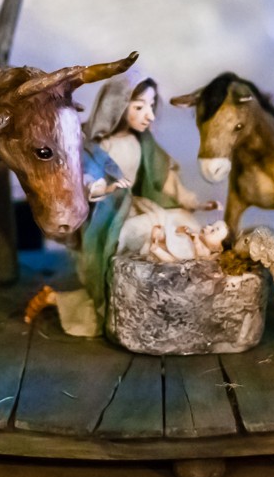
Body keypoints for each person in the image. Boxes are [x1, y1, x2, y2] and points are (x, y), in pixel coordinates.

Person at [31, 71, 209, 337]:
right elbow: (87, 182)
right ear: (117, 106)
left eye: (151, 106)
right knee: (143, 237)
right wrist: (107, 188)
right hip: (108, 216)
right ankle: (130, 310)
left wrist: (190, 199)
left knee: (182, 227)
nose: (149, 115)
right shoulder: (95, 146)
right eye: (139, 107)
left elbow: (164, 178)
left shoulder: (143, 141)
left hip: (135, 206)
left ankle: (165, 308)